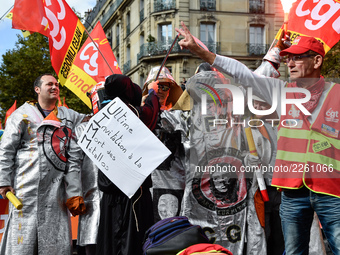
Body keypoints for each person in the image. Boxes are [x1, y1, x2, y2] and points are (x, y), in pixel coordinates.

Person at [176, 21, 340, 255]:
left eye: (298, 57)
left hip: (330, 192)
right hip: (292, 193)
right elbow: (243, 74)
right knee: (294, 252)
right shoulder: (282, 93)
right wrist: (204, 53)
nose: (290, 63)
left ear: (317, 61)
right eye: (288, 58)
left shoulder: (337, 95)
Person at [0, 73, 86, 255]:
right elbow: (6, 150)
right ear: (37, 89)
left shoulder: (68, 116)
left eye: (56, 84)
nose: (55, 87)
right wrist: (4, 181)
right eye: (49, 84)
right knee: (22, 245)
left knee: (55, 244)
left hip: (56, 194)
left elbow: (90, 120)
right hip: (25, 192)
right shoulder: (21, 115)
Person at [95, 74, 160, 255]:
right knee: (131, 241)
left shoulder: (104, 112)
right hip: (132, 194)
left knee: (110, 240)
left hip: (110, 193)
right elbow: (151, 114)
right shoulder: (130, 112)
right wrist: (153, 92)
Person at [142, 66, 186, 223]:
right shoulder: (137, 115)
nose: (160, 90)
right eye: (156, 86)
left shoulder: (179, 117)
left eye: (165, 87)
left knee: (171, 230)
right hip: (147, 186)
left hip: (174, 184)